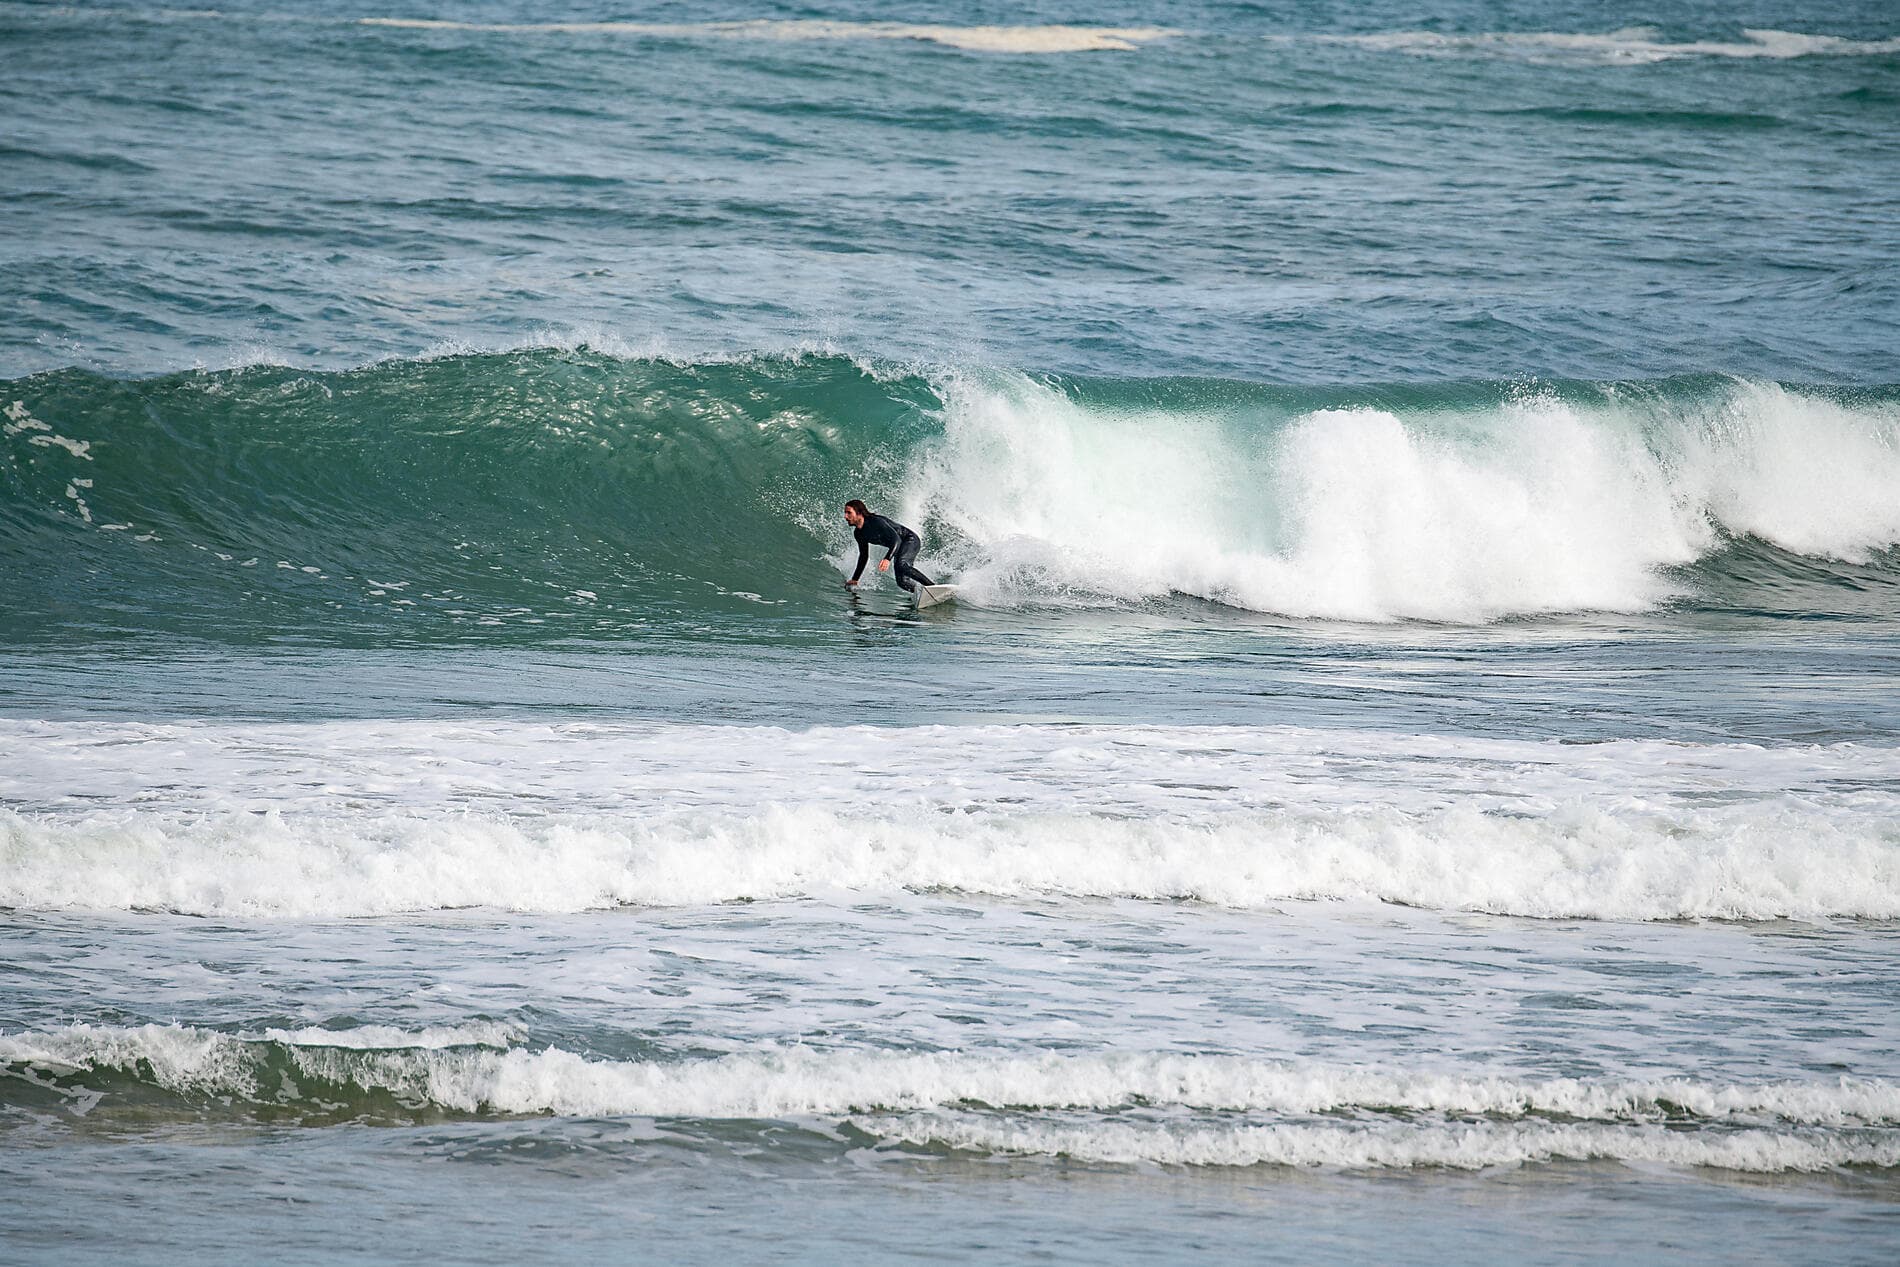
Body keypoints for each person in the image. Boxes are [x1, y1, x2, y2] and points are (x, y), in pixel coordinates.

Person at [843, 499, 936, 594]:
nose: (845, 516)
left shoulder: (876, 521)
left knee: (902, 565)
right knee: (902, 582)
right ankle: (921, 593)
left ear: (859, 513)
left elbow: (897, 540)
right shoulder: (859, 533)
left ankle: (932, 587)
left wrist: (887, 558)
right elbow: (863, 556)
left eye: (849, 513)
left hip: (909, 540)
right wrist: (855, 579)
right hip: (899, 546)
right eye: (845, 513)